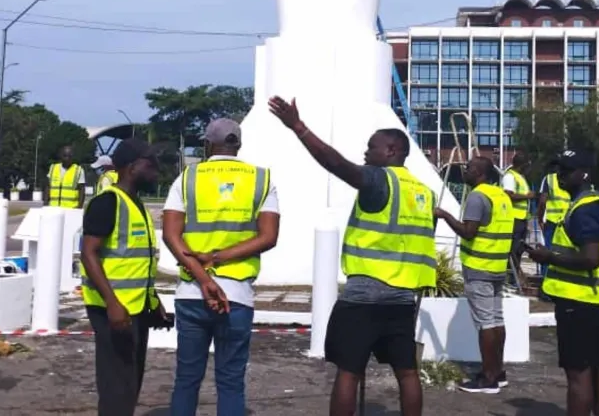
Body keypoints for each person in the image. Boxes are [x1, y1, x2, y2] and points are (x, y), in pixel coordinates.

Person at [269, 96, 436, 416]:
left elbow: (337, 165)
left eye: (371, 147)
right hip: (402, 298)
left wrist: (299, 128)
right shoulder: (423, 193)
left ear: (392, 151)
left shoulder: (378, 178)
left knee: (349, 370)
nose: (366, 153)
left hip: (364, 296)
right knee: (407, 371)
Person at [163, 118, 280, 416]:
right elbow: (268, 237)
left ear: (207, 143)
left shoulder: (187, 177)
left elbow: (170, 234)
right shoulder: (261, 179)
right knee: (230, 381)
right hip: (236, 295)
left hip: (191, 292)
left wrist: (203, 277)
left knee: (187, 380)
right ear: (238, 144)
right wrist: (218, 259)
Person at [80, 138, 170, 416]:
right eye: (151, 165)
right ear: (132, 167)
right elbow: (89, 254)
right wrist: (113, 304)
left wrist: (153, 304)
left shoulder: (136, 205)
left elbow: (138, 265)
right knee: (116, 385)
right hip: (113, 310)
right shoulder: (107, 202)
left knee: (130, 382)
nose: (157, 171)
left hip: (135, 309)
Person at [528, 150, 599, 416]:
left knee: (578, 375)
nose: (559, 176)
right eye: (558, 170)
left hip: (579, 303)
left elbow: (590, 258)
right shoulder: (585, 204)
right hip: (593, 301)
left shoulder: (585, 207)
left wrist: (548, 256)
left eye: (565, 171)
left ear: (584, 174)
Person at [436, 156, 514, 394]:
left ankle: (488, 377)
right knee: (497, 320)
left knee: (486, 324)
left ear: (479, 173)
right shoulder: (501, 196)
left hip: (479, 268)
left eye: (469, 168)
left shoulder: (477, 197)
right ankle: (498, 372)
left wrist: (445, 215)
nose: (465, 170)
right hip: (498, 267)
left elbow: (469, 232)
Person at [501, 152, 534, 280]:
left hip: (521, 219)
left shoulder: (520, 177)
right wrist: (527, 196)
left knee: (518, 249)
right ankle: (509, 278)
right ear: (524, 165)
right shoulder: (510, 177)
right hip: (513, 219)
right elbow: (508, 195)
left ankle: (513, 279)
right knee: (512, 250)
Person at [536, 163, 571, 276]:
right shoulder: (571, 178)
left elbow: (542, 201)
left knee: (548, 252)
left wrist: (540, 218)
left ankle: (546, 277)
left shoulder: (549, 179)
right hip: (568, 220)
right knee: (565, 251)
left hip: (552, 221)